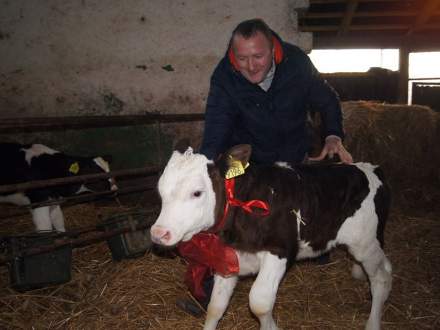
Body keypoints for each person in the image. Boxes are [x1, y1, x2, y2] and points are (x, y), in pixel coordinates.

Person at [177, 18, 353, 316]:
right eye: (242, 58)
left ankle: (314, 249)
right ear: (233, 54)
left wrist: (333, 134)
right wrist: (204, 166)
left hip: (291, 154)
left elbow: (327, 99)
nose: (250, 65)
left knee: (298, 210)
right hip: (244, 157)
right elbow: (217, 122)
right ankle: (207, 294)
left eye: (258, 56)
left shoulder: (297, 63)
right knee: (221, 210)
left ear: (273, 48)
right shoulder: (225, 74)